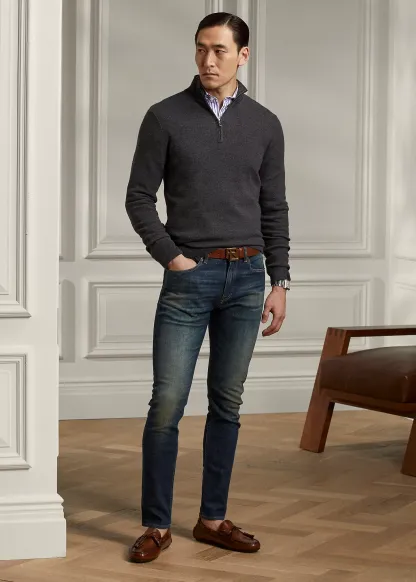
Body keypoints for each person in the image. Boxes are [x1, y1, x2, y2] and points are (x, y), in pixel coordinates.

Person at [125, 11, 290, 564]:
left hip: (247, 279)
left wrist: (279, 279)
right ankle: (156, 525)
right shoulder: (164, 116)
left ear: (243, 55)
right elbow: (138, 197)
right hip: (189, 278)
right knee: (167, 403)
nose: (208, 60)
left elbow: (274, 207)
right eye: (201, 48)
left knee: (227, 402)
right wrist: (171, 257)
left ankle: (212, 519)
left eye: (220, 50)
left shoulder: (265, 124)